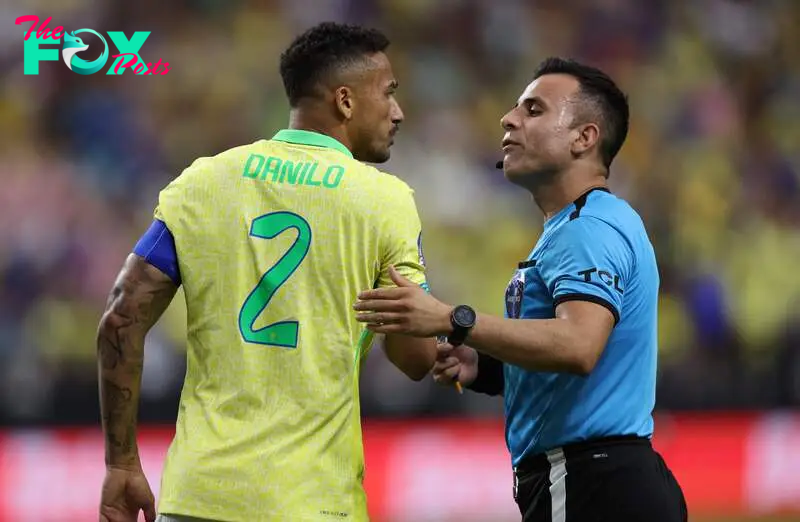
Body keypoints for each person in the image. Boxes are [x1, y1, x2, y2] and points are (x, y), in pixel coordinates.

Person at [97, 22, 437, 522]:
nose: (398, 111)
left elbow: (119, 319)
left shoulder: (203, 182)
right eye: (388, 93)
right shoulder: (385, 201)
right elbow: (415, 359)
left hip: (199, 497)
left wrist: (121, 463)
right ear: (345, 101)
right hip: (314, 502)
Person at [353, 57, 688, 522]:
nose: (508, 119)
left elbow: (578, 345)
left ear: (584, 137)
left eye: (533, 110)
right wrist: (489, 368)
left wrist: (456, 321)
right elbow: (574, 363)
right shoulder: (576, 226)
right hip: (600, 480)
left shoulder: (589, 228)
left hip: (593, 482)